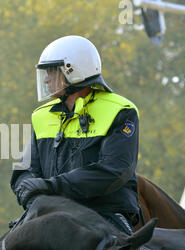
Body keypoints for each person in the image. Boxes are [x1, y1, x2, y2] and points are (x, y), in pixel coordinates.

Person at [11, 35, 140, 235]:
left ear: (74, 73)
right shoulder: (41, 116)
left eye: (52, 72)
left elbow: (114, 170)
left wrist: (50, 187)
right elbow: (23, 170)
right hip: (46, 212)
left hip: (103, 214)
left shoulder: (121, 111)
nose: (46, 79)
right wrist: (31, 194)